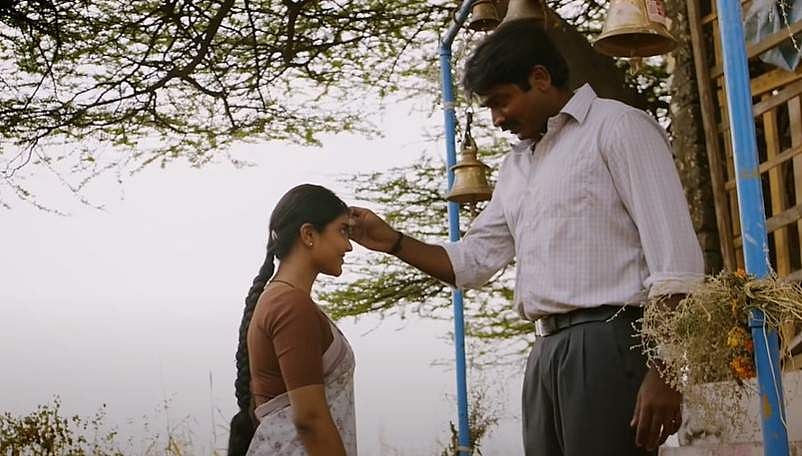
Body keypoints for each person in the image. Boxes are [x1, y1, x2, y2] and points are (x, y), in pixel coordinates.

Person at [349, 19, 704, 456]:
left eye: (502, 102)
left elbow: (677, 261)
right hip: (543, 353)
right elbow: (471, 262)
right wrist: (393, 241)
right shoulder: (516, 167)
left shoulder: (619, 127)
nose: (497, 120)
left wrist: (666, 368)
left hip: (609, 343)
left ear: (540, 78)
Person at [227, 184, 357, 456]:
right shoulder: (291, 305)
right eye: (342, 231)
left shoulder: (285, 300)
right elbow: (311, 420)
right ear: (308, 234)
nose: (348, 246)